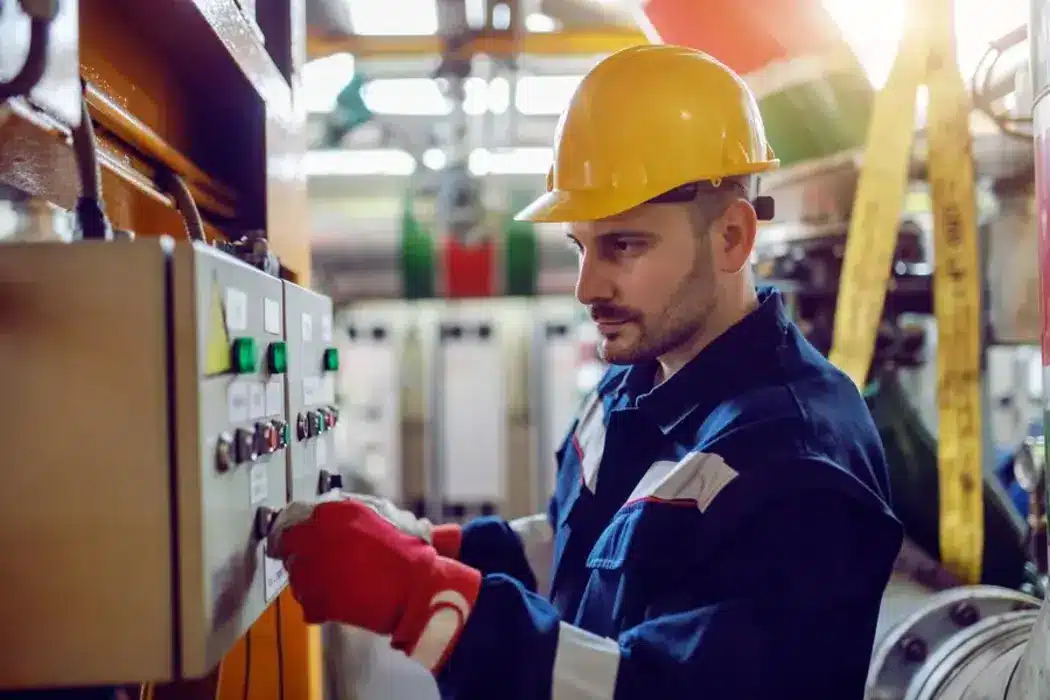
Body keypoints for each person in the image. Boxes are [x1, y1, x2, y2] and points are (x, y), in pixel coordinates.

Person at [267, 44, 904, 699]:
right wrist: (437, 546)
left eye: (623, 245)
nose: (587, 286)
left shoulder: (796, 465)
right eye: (580, 246)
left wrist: (427, 601)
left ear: (732, 239)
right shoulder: (638, 379)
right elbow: (581, 553)